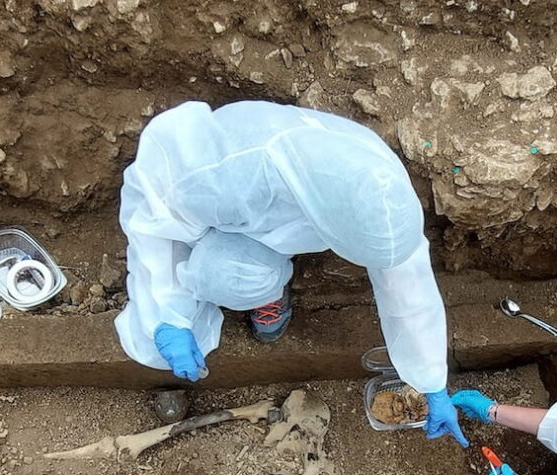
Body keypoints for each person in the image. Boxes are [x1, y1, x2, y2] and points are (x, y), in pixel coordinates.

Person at [114, 100, 466, 444]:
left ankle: (264, 276)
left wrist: (432, 381)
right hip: (216, 213)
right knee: (222, 273)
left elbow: (406, 282)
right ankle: (260, 288)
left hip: (282, 214)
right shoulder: (224, 176)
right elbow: (152, 215)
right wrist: (168, 311)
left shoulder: (380, 190)